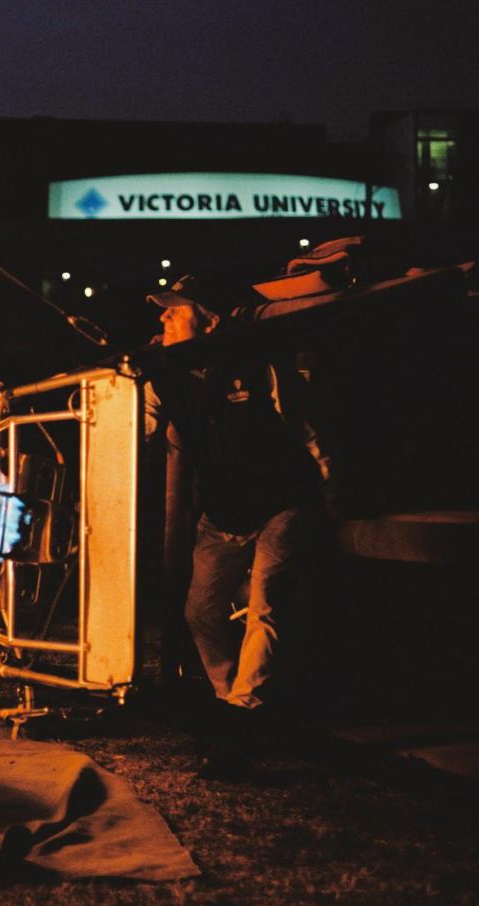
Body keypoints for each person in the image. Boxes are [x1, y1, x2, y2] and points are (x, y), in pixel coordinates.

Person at [140, 275, 334, 780]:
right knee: (199, 611)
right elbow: (139, 424)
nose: (163, 317)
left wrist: (329, 488)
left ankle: (242, 714)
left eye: (176, 310)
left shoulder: (256, 362)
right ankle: (232, 704)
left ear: (208, 320)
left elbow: (305, 429)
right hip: (224, 512)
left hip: (282, 501)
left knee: (265, 607)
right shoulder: (164, 376)